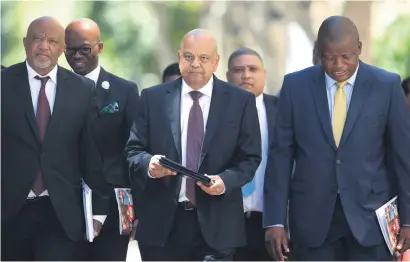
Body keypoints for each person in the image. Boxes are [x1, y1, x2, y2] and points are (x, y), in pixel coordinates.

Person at [264, 15, 410, 261]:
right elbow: (280, 157)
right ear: (320, 51)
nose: (338, 65)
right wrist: (275, 220)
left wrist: (408, 219)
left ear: (359, 49)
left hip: (371, 219)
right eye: (330, 57)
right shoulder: (295, 86)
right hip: (312, 219)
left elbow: (402, 158)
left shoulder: (386, 85)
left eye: (346, 56)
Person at [126, 29, 261, 261]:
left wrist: (225, 181)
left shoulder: (240, 101)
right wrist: (150, 165)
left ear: (216, 62)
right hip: (163, 227)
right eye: (188, 57)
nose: (195, 64)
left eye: (204, 58)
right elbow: (133, 151)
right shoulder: (153, 98)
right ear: (179, 58)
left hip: (217, 225)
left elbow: (250, 158)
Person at [1, 16, 108, 261]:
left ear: (62, 48)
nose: (44, 46)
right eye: (37, 39)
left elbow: (90, 151)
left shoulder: (82, 89)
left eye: (52, 41)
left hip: (60, 212)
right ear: (25, 43)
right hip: (8, 210)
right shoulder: (4, 83)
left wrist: (99, 211)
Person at [65, 18, 139, 261]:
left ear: (100, 47)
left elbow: (133, 151)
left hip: (113, 206)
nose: (77, 56)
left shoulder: (124, 91)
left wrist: (132, 211)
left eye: (84, 49)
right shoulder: (56, 90)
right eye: (70, 50)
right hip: (67, 206)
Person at [226, 47, 277, 261]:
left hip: (271, 223)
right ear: (228, 76)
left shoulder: (282, 110)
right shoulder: (214, 111)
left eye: (253, 69)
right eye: (239, 70)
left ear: (264, 74)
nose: (246, 75)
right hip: (228, 222)